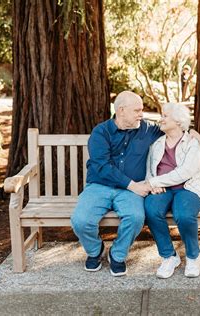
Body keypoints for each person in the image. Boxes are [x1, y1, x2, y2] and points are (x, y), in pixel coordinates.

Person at [71, 91, 159, 277]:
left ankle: (117, 254)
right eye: (137, 110)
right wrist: (132, 185)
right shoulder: (101, 132)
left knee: (135, 218)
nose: (141, 114)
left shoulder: (147, 129)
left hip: (129, 191)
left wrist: (191, 131)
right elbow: (102, 166)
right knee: (80, 221)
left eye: (141, 110)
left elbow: (174, 127)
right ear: (121, 110)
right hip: (100, 186)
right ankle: (95, 250)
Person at [144, 103, 200, 279]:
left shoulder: (192, 143)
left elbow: (185, 172)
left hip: (188, 188)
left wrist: (154, 181)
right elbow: (150, 168)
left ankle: (193, 256)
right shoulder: (156, 144)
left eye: (165, 116)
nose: (161, 119)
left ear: (178, 121)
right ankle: (169, 257)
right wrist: (153, 184)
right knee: (150, 209)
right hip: (162, 189)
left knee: (184, 214)